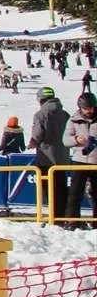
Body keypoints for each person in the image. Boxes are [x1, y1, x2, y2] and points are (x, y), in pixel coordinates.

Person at [29, 86, 70, 223]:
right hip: (63, 157)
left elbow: (38, 134)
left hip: (47, 157)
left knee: (49, 189)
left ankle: (54, 218)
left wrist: (33, 142)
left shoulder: (40, 114)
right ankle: (63, 216)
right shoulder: (65, 114)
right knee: (61, 188)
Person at [62, 92, 96, 229]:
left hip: (95, 161)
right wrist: (76, 140)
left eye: (91, 108)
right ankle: (72, 221)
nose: (89, 111)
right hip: (79, 160)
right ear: (80, 108)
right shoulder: (73, 120)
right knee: (75, 192)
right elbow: (65, 140)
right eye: (86, 108)